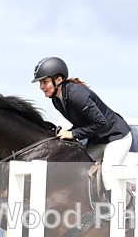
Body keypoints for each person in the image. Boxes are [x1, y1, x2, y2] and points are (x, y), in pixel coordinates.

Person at [32, 56, 132, 191]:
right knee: (75, 167)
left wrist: (72, 133)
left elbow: (102, 123)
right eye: (40, 83)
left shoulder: (77, 95)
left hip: (117, 138)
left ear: (59, 80)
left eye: (45, 82)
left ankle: (120, 209)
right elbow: (82, 123)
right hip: (98, 140)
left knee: (108, 176)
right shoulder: (56, 100)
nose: (41, 87)